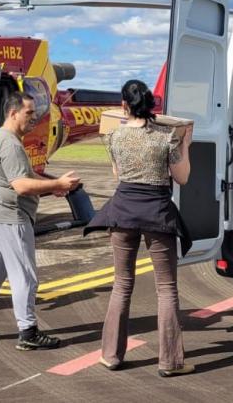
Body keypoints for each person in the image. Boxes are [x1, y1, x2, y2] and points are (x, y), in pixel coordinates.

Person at [84, 79, 194, 377]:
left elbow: (119, 174)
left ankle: (111, 355)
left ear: (123, 105)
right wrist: (185, 145)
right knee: (166, 288)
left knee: (122, 284)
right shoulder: (165, 137)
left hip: (122, 212)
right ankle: (170, 361)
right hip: (157, 212)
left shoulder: (115, 137)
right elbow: (182, 178)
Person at [0, 91, 80, 350]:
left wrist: (52, 187)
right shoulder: (10, 143)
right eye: (29, 113)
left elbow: (25, 175)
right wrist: (58, 183)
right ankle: (28, 332)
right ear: (13, 113)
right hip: (11, 217)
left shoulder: (4, 138)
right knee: (25, 276)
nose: (33, 118)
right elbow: (20, 185)